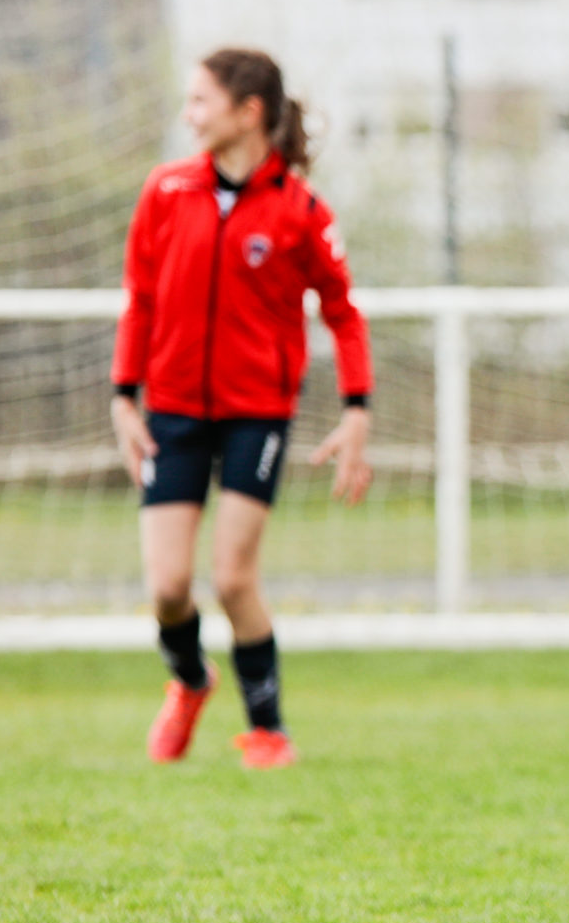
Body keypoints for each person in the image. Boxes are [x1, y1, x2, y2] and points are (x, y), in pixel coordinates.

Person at [110, 48, 375, 770]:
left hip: (257, 413)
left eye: (200, 100)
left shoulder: (301, 210)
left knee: (231, 579)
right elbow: (140, 298)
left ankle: (267, 729)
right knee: (167, 588)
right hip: (171, 410)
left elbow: (344, 314)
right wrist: (122, 395)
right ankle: (191, 679)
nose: (189, 114)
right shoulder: (165, 191)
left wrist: (356, 411)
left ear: (246, 110)